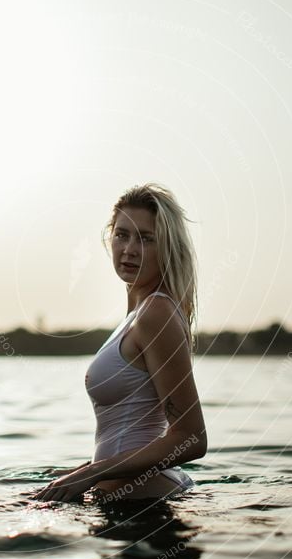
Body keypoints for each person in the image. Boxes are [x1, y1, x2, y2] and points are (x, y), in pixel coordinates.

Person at [33, 182, 207, 503]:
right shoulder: (138, 314)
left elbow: (191, 438)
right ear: (109, 238)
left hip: (144, 501)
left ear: (167, 247)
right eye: (122, 235)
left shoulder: (156, 312)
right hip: (126, 496)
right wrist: (83, 472)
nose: (129, 249)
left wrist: (91, 474)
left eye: (146, 239)